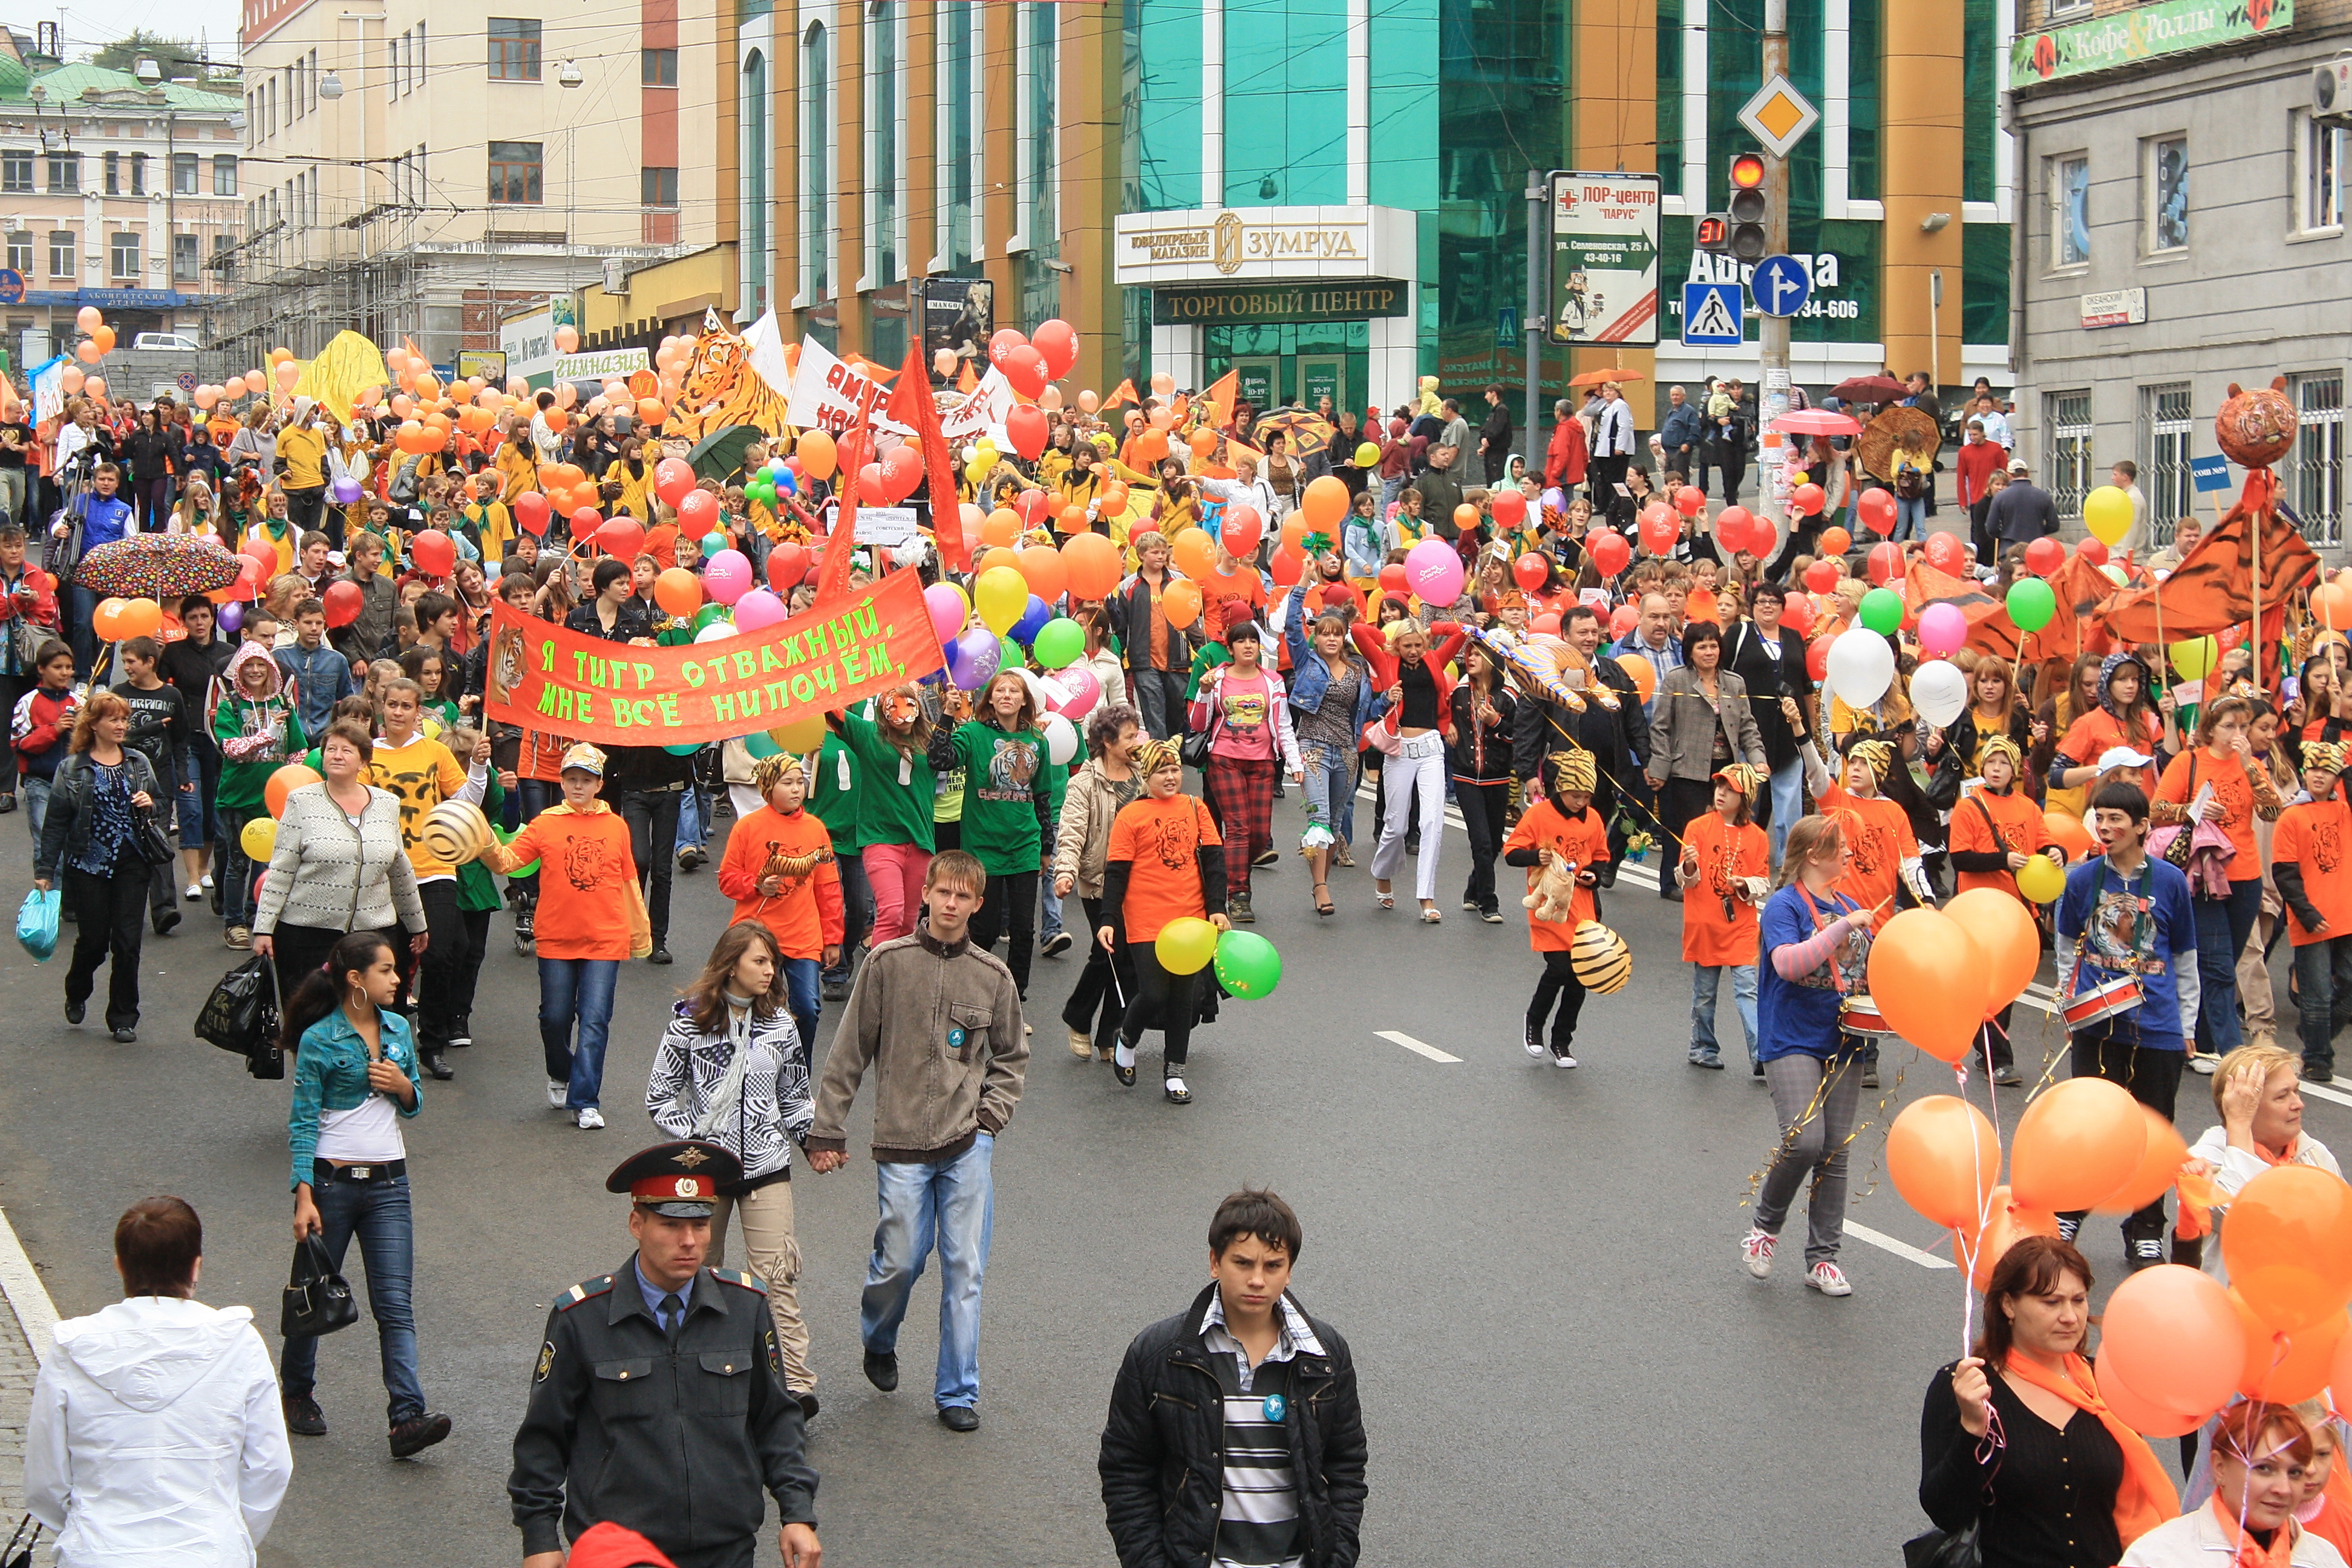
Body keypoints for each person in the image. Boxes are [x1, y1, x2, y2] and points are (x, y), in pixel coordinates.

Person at [508, 1140, 822, 1568]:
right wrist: (539, 1539)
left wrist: (797, 1513)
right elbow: (543, 1439)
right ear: (636, 1223)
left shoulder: (746, 1308)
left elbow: (776, 1420)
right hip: (620, 1552)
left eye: (701, 1224)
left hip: (727, 1548)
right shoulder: (582, 1318)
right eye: (671, 1226)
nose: (690, 1242)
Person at [806, 849, 1027, 1432]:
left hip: (966, 1144)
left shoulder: (993, 977)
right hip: (900, 1143)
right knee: (900, 1261)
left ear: (979, 904)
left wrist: (991, 1121)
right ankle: (879, 1336)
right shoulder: (887, 963)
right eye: (943, 893)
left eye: (964, 897)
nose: (951, 905)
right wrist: (827, 1127)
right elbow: (849, 1050)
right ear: (925, 893)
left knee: (964, 1267)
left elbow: (1010, 1058)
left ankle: (958, 1392)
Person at [1097, 1189, 1367, 1568]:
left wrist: (1337, 1558)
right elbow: (1126, 1470)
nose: (1257, 1280)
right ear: (1215, 1262)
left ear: (1289, 1271)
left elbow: (1346, 1467)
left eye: (1273, 1266)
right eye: (1243, 1263)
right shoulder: (1159, 1355)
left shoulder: (1325, 1357)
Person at [24, 1196, 293, 1567]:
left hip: (100, 1554)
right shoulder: (239, 1343)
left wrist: (87, 1533)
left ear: (120, 1266)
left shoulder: (73, 1349)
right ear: (196, 1267)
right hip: (209, 1553)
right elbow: (271, 1466)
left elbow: (46, 1480)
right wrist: (227, 1533)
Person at [278, 929, 452, 1457]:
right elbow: (304, 1122)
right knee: (313, 1297)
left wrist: (402, 1086)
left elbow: (414, 1103)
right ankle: (297, 1392)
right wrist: (303, 1195)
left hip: (389, 1186)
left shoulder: (399, 1028)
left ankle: (406, 1417)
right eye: (386, 971)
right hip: (332, 1184)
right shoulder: (319, 1040)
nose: (397, 979)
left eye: (396, 971)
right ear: (356, 979)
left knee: (395, 1304)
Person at [645, 923, 822, 1417]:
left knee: (776, 1275)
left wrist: (815, 1143)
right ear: (732, 965)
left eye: (773, 963)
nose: (770, 972)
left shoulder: (782, 1025)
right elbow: (659, 1098)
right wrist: (696, 1143)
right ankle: (698, 1381)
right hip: (707, 1172)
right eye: (760, 962)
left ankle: (795, 1389)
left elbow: (794, 1098)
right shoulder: (690, 1022)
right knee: (701, 1275)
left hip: (768, 1164)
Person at [1921, 1234, 2179, 1567]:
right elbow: (1946, 1512)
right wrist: (1972, 1429)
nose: (2071, 1317)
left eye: (2079, 1300)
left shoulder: (2106, 1383)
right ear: (2009, 1305)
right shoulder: (1964, 1386)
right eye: (2051, 1302)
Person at [2053, 780, 2201, 1269]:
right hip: (2097, 1027)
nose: (2106, 827)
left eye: (2117, 819)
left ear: (2142, 827)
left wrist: (2186, 1025)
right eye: (2101, 818)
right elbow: (2064, 945)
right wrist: (2070, 1005)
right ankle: (2069, 1214)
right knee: (2090, 1129)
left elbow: (2184, 958)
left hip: (2156, 1027)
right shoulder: (2082, 880)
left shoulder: (2171, 882)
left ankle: (2145, 1228)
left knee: (2151, 1134)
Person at [477, 743, 649, 1128]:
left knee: (594, 1018)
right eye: (571, 779)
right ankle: (560, 1071)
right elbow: (509, 861)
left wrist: (636, 932)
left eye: (585, 780)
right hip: (556, 937)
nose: (577, 786)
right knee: (555, 1018)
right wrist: (481, 840)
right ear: (561, 781)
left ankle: (586, 1099)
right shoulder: (545, 824)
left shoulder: (617, 826)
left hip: (605, 938)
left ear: (598, 785)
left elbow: (628, 883)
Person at [1744, 814, 1876, 1293]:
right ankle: (1764, 1227)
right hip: (1791, 1037)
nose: (1847, 854)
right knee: (1805, 1140)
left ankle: (1823, 1259)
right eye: (1839, 847)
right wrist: (1842, 927)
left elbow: (1872, 973)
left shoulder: (1849, 905)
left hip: (1844, 1038)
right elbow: (1787, 965)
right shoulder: (1784, 906)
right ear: (1814, 855)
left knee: (1835, 1152)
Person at [252, 718, 429, 1000]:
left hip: (372, 933)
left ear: (363, 762)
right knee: (311, 1019)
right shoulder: (301, 801)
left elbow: (400, 870)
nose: (336, 755)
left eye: (346, 751)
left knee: (370, 1016)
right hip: (306, 933)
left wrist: (417, 925)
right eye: (331, 749)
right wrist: (263, 929)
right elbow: (281, 870)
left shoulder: (387, 804)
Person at [1096, 739, 1230, 1102]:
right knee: (1154, 993)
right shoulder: (1131, 815)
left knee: (1184, 999)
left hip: (1190, 918)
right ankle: (1127, 1038)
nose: (1171, 777)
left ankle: (1175, 1073)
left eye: (1175, 770)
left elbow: (1216, 860)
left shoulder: (1195, 806)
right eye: (1162, 771)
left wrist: (1217, 907)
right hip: (1146, 919)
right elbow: (1117, 871)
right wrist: (1109, 918)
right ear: (1146, 775)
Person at [2154, 693, 2282, 1067]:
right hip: (2205, 876)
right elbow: (2158, 809)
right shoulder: (2189, 762)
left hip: (2246, 877)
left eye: (2244, 726)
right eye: (2229, 726)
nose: (2237, 734)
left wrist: (2250, 766)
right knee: (2219, 966)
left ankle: (2203, 1045)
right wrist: (2193, 811)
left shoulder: (2252, 765)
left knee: (2221, 963)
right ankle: (2233, 1055)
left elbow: (2272, 810)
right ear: (2211, 729)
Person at [35, 689, 163, 1041]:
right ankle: (77, 989)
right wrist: (45, 872)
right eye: (114, 719)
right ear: (94, 724)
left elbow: (163, 806)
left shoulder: (137, 762)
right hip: (88, 862)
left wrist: (150, 802)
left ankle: (123, 1016)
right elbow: (56, 822)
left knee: (127, 941)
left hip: (133, 861)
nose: (122, 725)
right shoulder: (72, 768)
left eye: (124, 719)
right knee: (93, 941)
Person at [929, 671, 1053, 1006]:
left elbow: (1043, 795)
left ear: (1024, 699)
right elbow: (938, 760)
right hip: (982, 848)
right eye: (1001, 691)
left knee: (1023, 930)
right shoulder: (973, 733)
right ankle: (977, 995)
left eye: (1015, 691)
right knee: (982, 930)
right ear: (991, 698)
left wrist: (1046, 848)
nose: (1007, 696)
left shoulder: (1038, 741)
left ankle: (1013, 1000)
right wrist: (947, 715)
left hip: (1024, 846)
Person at [717, 753, 843, 1050]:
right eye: (787, 783)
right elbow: (727, 879)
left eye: (800, 782)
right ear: (768, 788)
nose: (796, 789)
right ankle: (753, 1072)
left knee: (808, 1009)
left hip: (804, 938)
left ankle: (798, 1081)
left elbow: (828, 889)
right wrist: (757, 885)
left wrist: (832, 938)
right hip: (757, 937)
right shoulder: (747, 827)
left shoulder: (815, 829)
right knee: (760, 1013)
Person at [2120, 1403, 2336, 1566]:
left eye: (2295, 1473)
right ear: (2219, 1467)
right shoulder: (2159, 1556)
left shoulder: (2324, 1559)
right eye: (2264, 1468)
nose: (2283, 1488)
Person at [1502, 747, 1612, 1067]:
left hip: (1583, 907)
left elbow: (1602, 856)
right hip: (1549, 905)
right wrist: (1536, 856)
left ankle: (1562, 1040)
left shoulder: (1593, 819)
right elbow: (1511, 852)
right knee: (1559, 969)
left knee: (1581, 977)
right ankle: (1535, 1022)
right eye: (1575, 795)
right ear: (1561, 788)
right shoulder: (1538, 816)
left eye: (1586, 797)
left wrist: (1594, 876)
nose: (1581, 803)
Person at [1187, 621, 1301, 926]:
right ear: (1231, 647)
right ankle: (1238, 895)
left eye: (1253, 640)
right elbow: (1198, 723)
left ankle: (1229, 871)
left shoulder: (1273, 681)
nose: (1248, 646)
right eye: (1241, 641)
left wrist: (1296, 763)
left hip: (1263, 762)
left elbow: (1285, 725)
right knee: (1238, 827)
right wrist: (1203, 692)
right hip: (1225, 759)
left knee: (1260, 834)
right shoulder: (1218, 679)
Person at [1646, 621, 1767, 902]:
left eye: (1714, 645)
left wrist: (1758, 760)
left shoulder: (1734, 682)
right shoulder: (1677, 680)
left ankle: (1716, 878)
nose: (1709, 652)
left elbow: (1747, 726)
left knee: (1722, 826)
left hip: (1725, 768)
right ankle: (1672, 881)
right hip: (1686, 768)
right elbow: (1661, 727)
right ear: (1691, 651)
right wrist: (1660, 768)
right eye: (1702, 646)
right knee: (1685, 827)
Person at [1053, 703, 1146, 1061]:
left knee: (1127, 959)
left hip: (1140, 884)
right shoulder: (1083, 783)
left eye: (1137, 735)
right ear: (1107, 741)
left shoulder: (1142, 777)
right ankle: (1080, 1019)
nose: (1135, 742)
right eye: (1128, 737)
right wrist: (1065, 871)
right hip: (1100, 885)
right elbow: (1072, 830)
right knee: (1109, 953)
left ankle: (1108, 1033)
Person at [1362, 616, 1467, 921]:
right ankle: (1383, 873)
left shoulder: (1434, 658)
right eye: (1406, 645)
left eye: (1418, 645)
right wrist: (1385, 638)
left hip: (1432, 747)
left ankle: (1426, 897)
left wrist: (1433, 629)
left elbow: (1460, 633)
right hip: (1400, 748)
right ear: (1397, 645)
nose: (1413, 650)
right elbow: (1358, 631)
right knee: (1396, 826)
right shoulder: (1386, 661)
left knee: (1433, 821)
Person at [209, 639, 306, 949]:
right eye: (248, 665)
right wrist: (267, 735)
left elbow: (298, 749)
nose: (254, 671)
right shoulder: (231, 706)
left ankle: (258, 915)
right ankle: (233, 922)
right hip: (237, 798)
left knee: (266, 862)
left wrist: (293, 779)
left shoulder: (283, 706)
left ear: (270, 669)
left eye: (260, 665)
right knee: (238, 862)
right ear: (240, 670)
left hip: (272, 799)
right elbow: (231, 748)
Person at [828, 685, 939, 947]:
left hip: (920, 839)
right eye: (893, 707)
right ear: (882, 712)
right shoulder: (869, 735)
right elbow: (830, 710)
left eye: (909, 705)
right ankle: (878, 979)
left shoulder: (931, 740)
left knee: (909, 921)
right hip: (881, 838)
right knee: (891, 912)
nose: (902, 713)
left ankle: (900, 979)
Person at [1679, 764, 1769, 1071]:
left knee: (1748, 990)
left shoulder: (1757, 837)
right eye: (1719, 786)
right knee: (1705, 994)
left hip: (1741, 925)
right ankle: (1702, 1047)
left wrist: (1745, 884)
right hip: (1705, 924)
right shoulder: (1697, 827)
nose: (1721, 792)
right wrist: (1690, 866)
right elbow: (1685, 880)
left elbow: (1763, 881)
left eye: (1730, 789)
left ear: (1745, 798)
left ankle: (1761, 1054)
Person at [1724, 584, 1816, 864]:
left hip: (1790, 733)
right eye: (1762, 601)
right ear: (1752, 606)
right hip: (1752, 731)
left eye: (1774, 602)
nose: (1767, 606)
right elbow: (1722, 676)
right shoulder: (1738, 635)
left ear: (1782, 608)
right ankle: (1741, 853)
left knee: (1790, 803)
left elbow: (1806, 684)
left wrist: (1808, 728)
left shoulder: (1793, 637)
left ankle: (1791, 861)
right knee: (1748, 797)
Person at [2276, 744, 2352, 1081]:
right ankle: (2318, 1057)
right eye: (2314, 769)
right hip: (2312, 917)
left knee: (2348, 986)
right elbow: (2285, 872)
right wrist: (2306, 913)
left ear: (2337, 777)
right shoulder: (2292, 815)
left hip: (2346, 911)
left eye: (2328, 770)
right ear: (2305, 772)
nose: (2319, 775)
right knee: (2318, 992)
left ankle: (2314, 1034)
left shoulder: (2345, 810)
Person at [110, 635, 189, 937]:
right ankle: (122, 906)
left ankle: (163, 908)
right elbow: (116, 737)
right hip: (121, 779)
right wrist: (150, 728)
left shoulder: (172, 695)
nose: (127, 668)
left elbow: (181, 738)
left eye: (131, 662)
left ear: (150, 662)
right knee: (124, 841)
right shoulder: (119, 693)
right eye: (125, 662)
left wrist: (182, 774)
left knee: (157, 838)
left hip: (158, 780)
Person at [1448, 641, 1517, 923]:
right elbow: (1439, 713)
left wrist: (1497, 722)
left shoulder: (1509, 697)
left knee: (1495, 842)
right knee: (1481, 842)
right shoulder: (1459, 693)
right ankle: (1490, 901)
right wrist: (1447, 725)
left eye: (1478, 654)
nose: (1472, 658)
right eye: (1470, 653)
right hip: (1465, 776)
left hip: (1498, 776)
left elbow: (1518, 737)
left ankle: (1474, 889)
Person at [1112, 532, 1193, 742]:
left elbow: (1192, 620)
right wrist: (1121, 657)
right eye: (1155, 552)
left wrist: (1200, 647)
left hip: (1178, 659)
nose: (1161, 557)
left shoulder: (1179, 581)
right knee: (1153, 710)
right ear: (1141, 555)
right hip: (1144, 661)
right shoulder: (1128, 586)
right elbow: (1122, 626)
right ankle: (1160, 755)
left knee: (1177, 709)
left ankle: (1175, 747)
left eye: (1164, 552)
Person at [1989, 457, 2060, 558]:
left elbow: (1991, 528)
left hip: (2009, 549)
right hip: (2036, 550)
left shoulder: (2000, 497)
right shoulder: (2044, 496)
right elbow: (2054, 525)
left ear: (2009, 475)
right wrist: (2038, 531)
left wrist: (2005, 534)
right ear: (2028, 474)